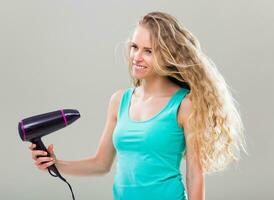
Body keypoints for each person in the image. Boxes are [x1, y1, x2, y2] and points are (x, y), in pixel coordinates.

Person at [29, 11, 247, 200]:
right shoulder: (119, 101)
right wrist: (55, 164)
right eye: (135, 47)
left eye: (148, 51)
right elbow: (101, 164)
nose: (137, 57)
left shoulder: (184, 105)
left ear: (168, 55)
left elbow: (194, 175)